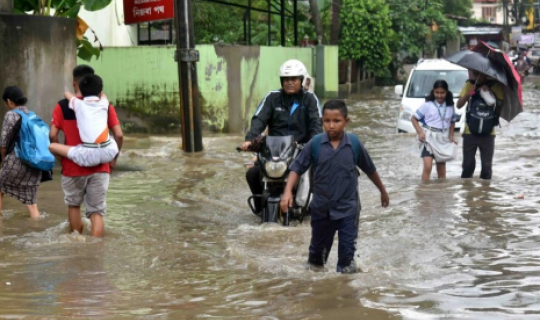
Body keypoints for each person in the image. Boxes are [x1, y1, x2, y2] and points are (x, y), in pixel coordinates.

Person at [280, 100, 389, 273]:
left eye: (336, 121)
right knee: (316, 261)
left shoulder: (354, 144)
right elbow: (297, 168)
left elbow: (370, 169)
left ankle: (344, 295)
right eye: (327, 121)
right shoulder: (315, 144)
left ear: (346, 121)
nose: (331, 126)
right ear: (322, 121)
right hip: (322, 211)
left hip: (348, 210)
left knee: (346, 263)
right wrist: (287, 192)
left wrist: (383, 192)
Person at [240, 59, 322, 215]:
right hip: (274, 151)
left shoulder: (310, 100)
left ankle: (305, 206)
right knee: (252, 173)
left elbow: (316, 125)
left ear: (302, 80)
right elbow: (259, 119)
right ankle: (260, 207)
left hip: (301, 151)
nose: (289, 83)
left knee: (316, 172)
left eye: (294, 79)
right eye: (286, 79)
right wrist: (250, 139)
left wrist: (314, 144)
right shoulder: (272, 98)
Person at [49, 65, 123, 237]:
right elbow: (118, 135)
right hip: (101, 166)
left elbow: (52, 134)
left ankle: (77, 246)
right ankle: (95, 249)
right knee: (97, 211)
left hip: (73, 165)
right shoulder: (104, 105)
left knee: (74, 205)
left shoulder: (62, 106)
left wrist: (62, 158)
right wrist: (113, 159)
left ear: (75, 82)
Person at [49, 74, 118, 167]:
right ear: (100, 92)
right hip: (109, 152)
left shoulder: (78, 104)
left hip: (88, 156)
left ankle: (65, 162)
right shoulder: (104, 103)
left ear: (81, 91)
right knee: (111, 138)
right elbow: (119, 135)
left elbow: (67, 94)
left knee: (51, 147)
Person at [0, 86, 41, 218]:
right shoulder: (32, 115)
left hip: (15, 164)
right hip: (34, 166)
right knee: (32, 203)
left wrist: (4, 161)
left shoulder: (10, 115)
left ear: (10, 101)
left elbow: (3, 144)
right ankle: (37, 227)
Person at [456, 71, 504, 180]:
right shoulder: (469, 84)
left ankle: (485, 194)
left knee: (487, 169)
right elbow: (459, 105)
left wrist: (490, 93)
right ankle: (468, 192)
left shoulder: (496, 86)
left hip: (488, 134)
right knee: (467, 167)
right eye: (477, 74)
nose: (479, 76)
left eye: (482, 74)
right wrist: (469, 93)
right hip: (469, 132)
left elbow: (500, 108)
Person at [411, 80, 458, 181]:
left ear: (447, 92)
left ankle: (441, 191)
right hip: (428, 138)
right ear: (433, 91)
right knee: (427, 166)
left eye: (442, 93)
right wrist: (420, 132)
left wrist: (451, 135)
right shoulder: (427, 105)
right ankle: (424, 190)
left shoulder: (450, 106)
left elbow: (453, 121)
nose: (439, 96)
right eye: (437, 92)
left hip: (442, 139)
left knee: (441, 168)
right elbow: (414, 118)